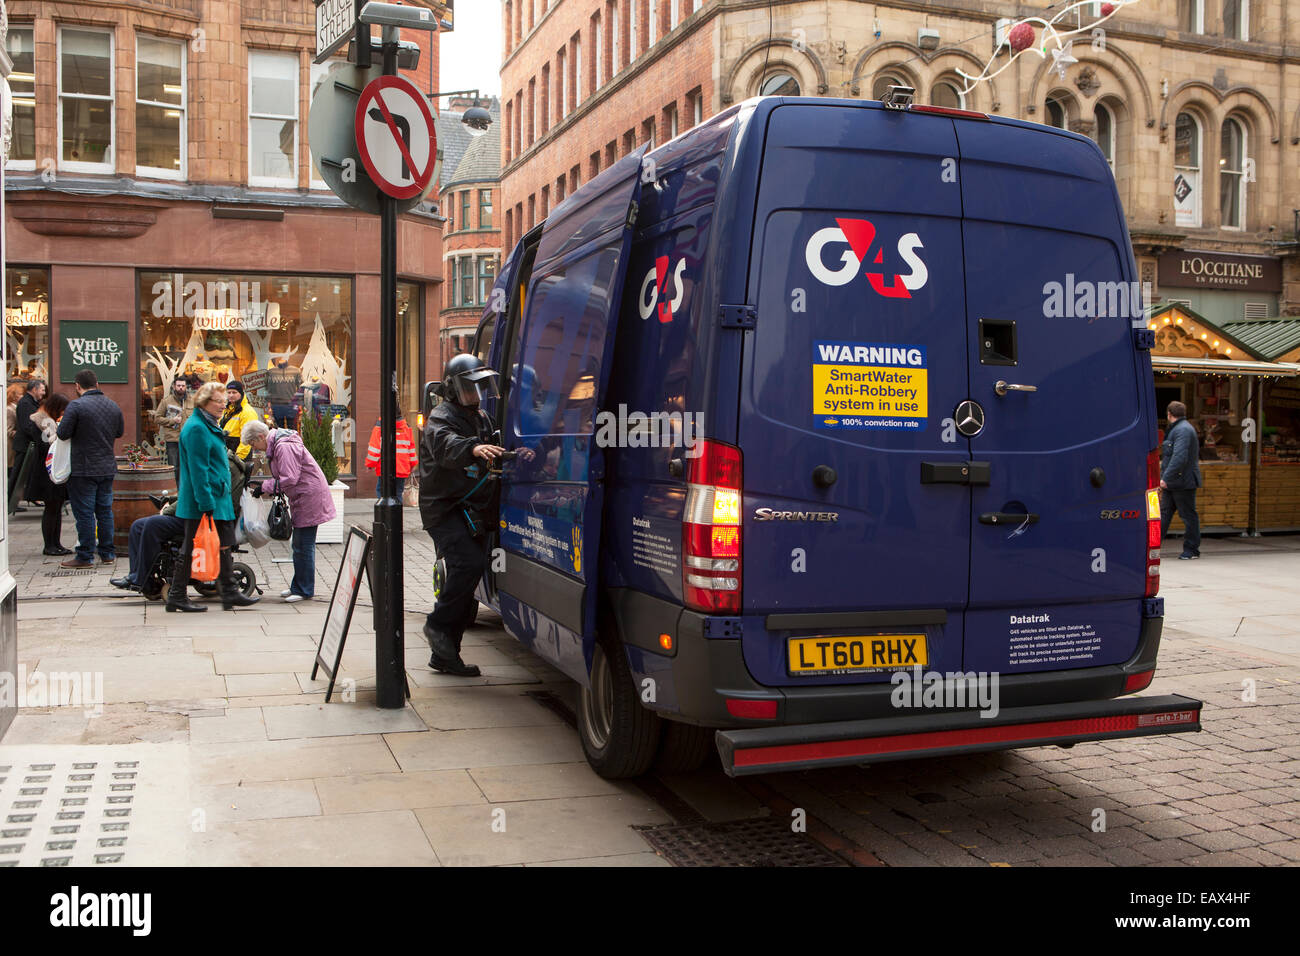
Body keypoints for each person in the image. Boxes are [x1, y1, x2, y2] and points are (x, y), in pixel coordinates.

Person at [416, 354, 510, 677]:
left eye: (479, 387)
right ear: (453, 390)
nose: (476, 394)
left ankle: (445, 655)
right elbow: (445, 445)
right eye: (469, 388)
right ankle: (437, 626)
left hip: (471, 507)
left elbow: (493, 447)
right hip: (444, 508)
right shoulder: (441, 417)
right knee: (467, 563)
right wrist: (471, 449)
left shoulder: (480, 417)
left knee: (470, 572)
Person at [114, 436, 248, 599]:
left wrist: (169, 510)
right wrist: (171, 502)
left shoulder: (222, 467)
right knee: (137, 526)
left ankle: (142, 578)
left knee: (152, 525)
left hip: (202, 519)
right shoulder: (216, 462)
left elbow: (203, 496)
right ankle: (139, 577)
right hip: (194, 513)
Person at [168, 382, 259, 612]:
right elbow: (199, 470)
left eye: (223, 401)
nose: (223, 404)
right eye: (218, 401)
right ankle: (177, 595)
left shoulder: (208, 425)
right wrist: (206, 502)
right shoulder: (197, 428)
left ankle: (229, 592)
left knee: (224, 545)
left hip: (216, 498)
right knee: (191, 547)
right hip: (204, 500)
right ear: (204, 402)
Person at [242, 419, 336, 603]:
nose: (256, 449)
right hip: (304, 496)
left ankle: (304, 590)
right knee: (299, 545)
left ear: (261, 437)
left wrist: (265, 486)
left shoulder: (283, 447)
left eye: (254, 444)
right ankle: (298, 586)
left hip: (309, 496)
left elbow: (290, 478)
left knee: (303, 545)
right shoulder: (279, 445)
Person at [56, 370, 125, 568]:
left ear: (78, 386)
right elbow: (119, 432)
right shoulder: (112, 405)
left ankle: (85, 556)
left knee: (85, 513)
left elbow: (62, 433)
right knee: (105, 511)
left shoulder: (76, 406)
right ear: (97, 383)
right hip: (107, 466)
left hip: (83, 468)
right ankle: (108, 553)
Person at [26, 391, 71, 556]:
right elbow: (47, 445)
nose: (63, 413)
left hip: (50, 470)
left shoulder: (47, 420)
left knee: (56, 508)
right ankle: (49, 545)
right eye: (62, 409)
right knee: (51, 508)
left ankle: (56, 543)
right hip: (46, 471)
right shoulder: (42, 421)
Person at [1160, 400, 1202, 561]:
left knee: (1188, 516)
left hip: (1183, 482)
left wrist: (1165, 478)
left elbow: (1180, 457)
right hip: (1175, 482)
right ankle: (1151, 547)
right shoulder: (1180, 429)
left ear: (1169, 414)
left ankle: (1192, 549)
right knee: (1164, 515)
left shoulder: (1182, 430)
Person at [364, 408, 419, 501]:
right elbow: (411, 449)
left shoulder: (379, 427)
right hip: (402, 468)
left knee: (382, 493)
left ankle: (384, 515)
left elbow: (374, 451)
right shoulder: (406, 428)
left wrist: (370, 465)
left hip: (385, 469)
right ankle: (397, 514)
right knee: (398, 494)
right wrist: (413, 464)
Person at [9, 378, 45, 513]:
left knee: (22, 475)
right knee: (17, 475)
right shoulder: (26, 403)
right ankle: (9, 502)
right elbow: (27, 426)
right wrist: (40, 437)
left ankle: (19, 500)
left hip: (28, 444)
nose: (43, 392)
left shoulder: (30, 402)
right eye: (42, 390)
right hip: (24, 445)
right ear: (34, 389)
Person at [154, 379, 191, 481]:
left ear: (186, 387)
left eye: (183, 386)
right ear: (174, 387)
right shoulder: (166, 401)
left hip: (188, 439)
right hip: (173, 440)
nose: (181, 388)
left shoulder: (192, 401)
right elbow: (157, 418)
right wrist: (172, 421)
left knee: (187, 466)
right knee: (174, 467)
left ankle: (185, 491)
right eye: (178, 385)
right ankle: (175, 491)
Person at [219, 380, 258, 460]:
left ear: (241, 393)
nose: (231, 395)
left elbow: (247, 439)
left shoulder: (247, 412)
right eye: (229, 392)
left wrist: (238, 458)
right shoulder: (228, 410)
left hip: (238, 455)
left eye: (234, 392)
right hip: (227, 453)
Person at [266, 357, 302, 428]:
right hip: (276, 405)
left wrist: (300, 404)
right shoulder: (271, 372)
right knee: (279, 429)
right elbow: (269, 390)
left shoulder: (296, 371)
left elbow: (300, 388)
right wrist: (269, 406)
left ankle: (291, 439)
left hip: (291, 405)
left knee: (292, 429)